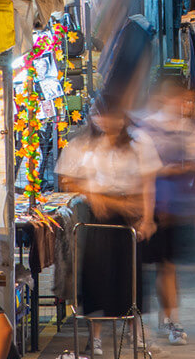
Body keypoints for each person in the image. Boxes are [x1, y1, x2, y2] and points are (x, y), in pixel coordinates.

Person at [55, 109, 160, 356]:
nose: (105, 121)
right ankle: (96, 337)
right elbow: (67, 180)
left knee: (130, 275)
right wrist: (95, 194)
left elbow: (148, 182)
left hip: (130, 216)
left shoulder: (139, 142)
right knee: (96, 276)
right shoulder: (85, 144)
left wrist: (147, 217)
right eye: (100, 116)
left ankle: (135, 333)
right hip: (98, 217)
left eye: (111, 116)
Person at [137, 76, 195, 343]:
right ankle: (154, 319)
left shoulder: (190, 129)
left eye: (188, 99)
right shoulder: (148, 128)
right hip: (150, 207)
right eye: (182, 98)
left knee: (168, 266)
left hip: (176, 209)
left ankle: (170, 318)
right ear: (168, 98)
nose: (186, 104)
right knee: (149, 266)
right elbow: (143, 170)